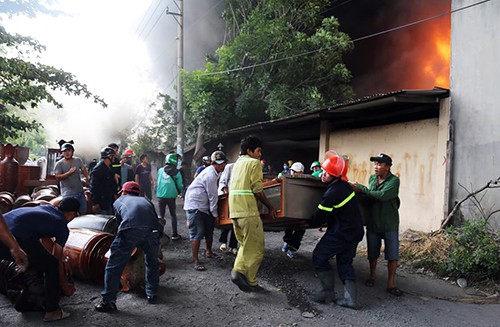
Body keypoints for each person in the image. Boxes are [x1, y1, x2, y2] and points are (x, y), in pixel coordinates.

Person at [0, 198, 80, 322]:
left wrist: (61, 258)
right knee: (51, 265)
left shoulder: (46, 208)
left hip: (3, 227)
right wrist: (64, 285)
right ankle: (52, 311)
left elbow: (45, 242)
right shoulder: (62, 226)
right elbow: (56, 260)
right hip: (12, 236)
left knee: (44, 260)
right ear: (73, 214)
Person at [95, 182, 163, 312]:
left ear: (124, 192)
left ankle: (108, 301)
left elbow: (120, 224)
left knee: (114, 266)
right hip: (153, 231)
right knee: (152, 262)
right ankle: (152, 293)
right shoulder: (146, 200)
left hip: (131, 229)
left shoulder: (119, 200)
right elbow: (154, 218)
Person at [308, 154, 364, 308]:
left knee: (319, 256)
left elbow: (320, 218)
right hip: (355, 231)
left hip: (342, 232)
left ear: (335, 176)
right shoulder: (344, 187)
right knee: (345, 262)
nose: (322, 174)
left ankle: (327, 292)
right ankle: (350, 299)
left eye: (326, 172)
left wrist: (305, 222)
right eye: (323, 170)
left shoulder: (331, 193)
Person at [229, 136, 277, 292]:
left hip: (234, 211)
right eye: (258, 151)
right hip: (248, 211)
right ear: (250, 151)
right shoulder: (253, 163)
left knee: (245, 245)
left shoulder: (237, 164)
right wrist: (270, 207)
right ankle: (238, 272)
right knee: (256, 247)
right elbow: (257, 189)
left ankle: (251, 281)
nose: (260, 154)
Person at [351, 153, 402, 297]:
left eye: (379, 164)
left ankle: (391, 284)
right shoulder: (373, 178)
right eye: (375, 164)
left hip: (389, 222)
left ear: (388, 167)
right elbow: (370, 196)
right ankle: (372, 276)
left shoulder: (394, 181)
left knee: (392, 254)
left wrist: (362, 189)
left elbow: (382, 196)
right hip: (373, 221)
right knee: (372, 251)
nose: (376, 167)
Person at [184, 151, 227, 271]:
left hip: (204, 204)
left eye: (223, 163)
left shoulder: (216, 173)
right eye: (219, 164)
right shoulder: (210, 175)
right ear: (213, 163)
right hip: (195, 204)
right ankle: (195, 260)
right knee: (198, 232)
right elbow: (212, 196)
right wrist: (215, 215)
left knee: (209, 229)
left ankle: (209, 251)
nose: (222, 166)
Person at [54, 143, 90, 215]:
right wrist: (69, 173)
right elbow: (58, 177)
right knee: (69, 213)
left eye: (69, 150)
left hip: (79, 192)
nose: (67, 153)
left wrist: (87, 177)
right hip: (67, 193)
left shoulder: (78, 160)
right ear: (62, 153)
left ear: (72, 151)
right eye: (65, 151)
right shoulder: (59, 164)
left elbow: (84, 169)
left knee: (83, 210)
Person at [281, 162, 306, 259]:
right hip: (290, 211)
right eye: (292, 171)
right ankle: (287, 242)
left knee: (300, 231)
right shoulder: (287, 180)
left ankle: (292, 249)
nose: (293, 173)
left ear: (301, 172)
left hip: (301, 211)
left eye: (295, 172)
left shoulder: (305, 182)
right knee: (288, 229)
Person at [156, 153, 183, 240]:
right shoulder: (177, 172)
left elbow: (158, 182)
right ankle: (174, 234)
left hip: (160, 196)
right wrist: (179, 191)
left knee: (161, 216)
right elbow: (180, 185)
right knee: (173, 214)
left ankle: (159, 235)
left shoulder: (160, 170)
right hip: (171, 196)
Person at [217, 163, 238, 255]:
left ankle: (233, 246)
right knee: (226, 220)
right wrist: (227, 195)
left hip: (239, 198)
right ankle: (223, 242)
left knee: (236, 222)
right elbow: (222, 182)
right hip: (228, 197)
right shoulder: (230, 167)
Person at [90, 147, 117, 215]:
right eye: (112, 156)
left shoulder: (109, 167)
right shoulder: (98, 170)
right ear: (108, 157)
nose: (114, 158)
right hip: (102, 202)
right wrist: (95, 203)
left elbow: (111, 183)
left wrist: (114, 193)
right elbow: (94, 187)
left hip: (109, 199)